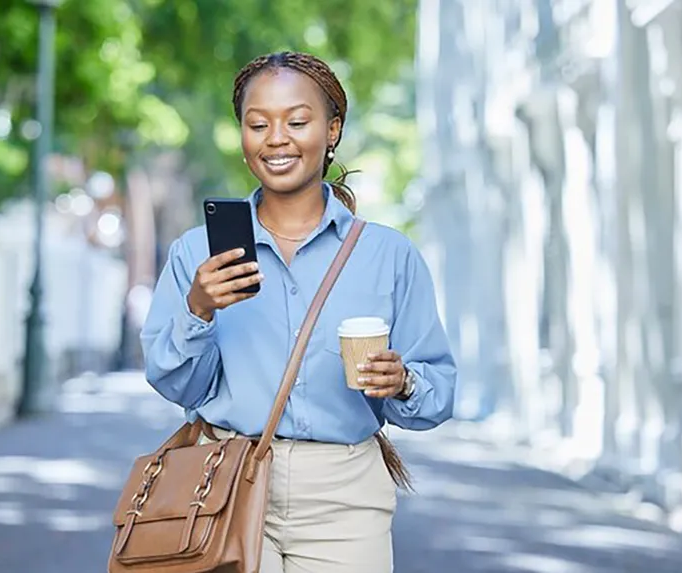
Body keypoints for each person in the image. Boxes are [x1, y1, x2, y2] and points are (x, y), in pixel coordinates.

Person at [140, 51, 457, 573]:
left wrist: (401, 382)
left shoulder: (388, 255)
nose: (277, 138)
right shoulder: (198, 255)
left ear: (332, 130)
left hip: (346, 499)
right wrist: (198, 309)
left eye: (298, 121)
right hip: (224, 485)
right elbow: (178, 385)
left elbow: (438, 393)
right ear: (242, 137)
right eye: (258, 124)